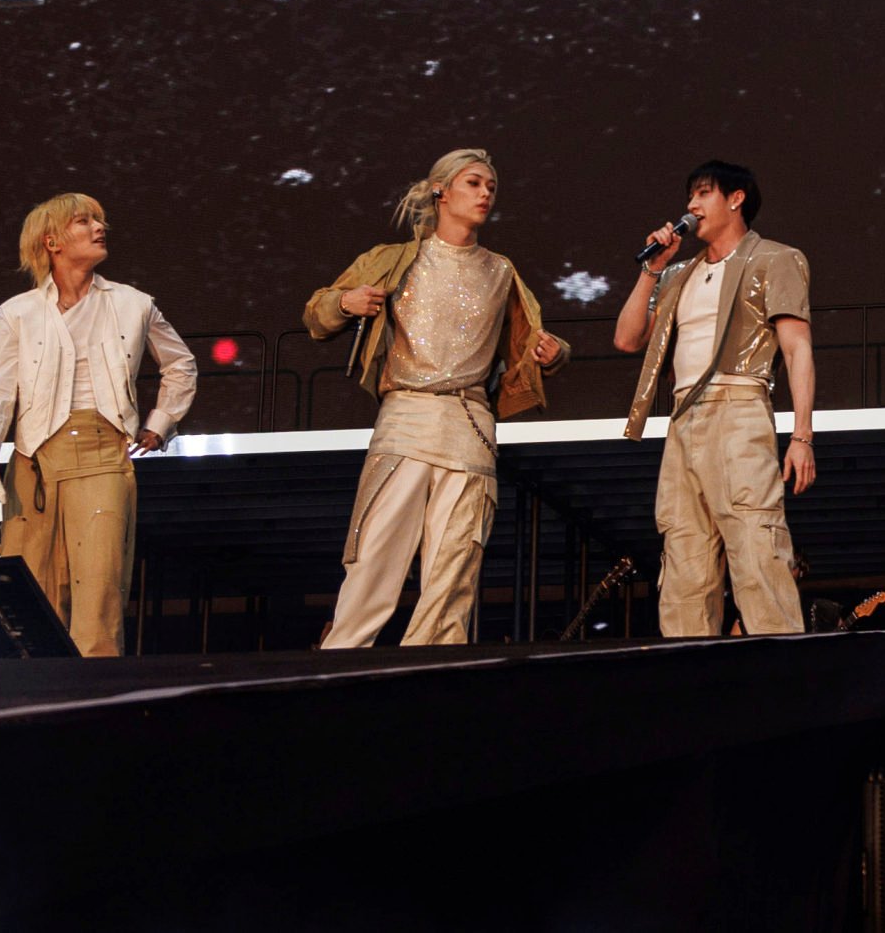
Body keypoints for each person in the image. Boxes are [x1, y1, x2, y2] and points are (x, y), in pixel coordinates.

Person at [304, 148, 572, 649]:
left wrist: (553, 353)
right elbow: (317, 315)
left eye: (491, 186)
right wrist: (346, 302)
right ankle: (338, 666)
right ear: (440, 191)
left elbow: (532, 341)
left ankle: (430, 680)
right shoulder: (392, 259)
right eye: (474, 183)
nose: (486, 193)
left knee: (453, 575)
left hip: (470, 424)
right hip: (406, 416)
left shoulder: (500, 270)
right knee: (374, 559)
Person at [0, 192, 198, 656]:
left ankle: (94, 695)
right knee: (31, 583)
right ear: (51, 241)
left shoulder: (133, 303)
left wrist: (161, 422)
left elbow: (181, 364)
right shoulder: (16, 313)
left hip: (102, 451)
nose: (99, 227)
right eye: (84, 221)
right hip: (34, 458)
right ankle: (31, 697)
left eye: (100, 220)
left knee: (100, 582)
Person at [612, 160, 816, 637]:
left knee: (756, 547)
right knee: (684, 558)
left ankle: (781, 683)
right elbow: (626, 339)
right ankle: (690, 690)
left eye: (703, 193)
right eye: (691, 196)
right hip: (683, 421)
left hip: (738, 408)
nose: (691, 205)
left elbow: (797, 347)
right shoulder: (677, 274)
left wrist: (801, 435)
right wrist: (651, 271)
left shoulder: (775, 259)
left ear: (736, 198)